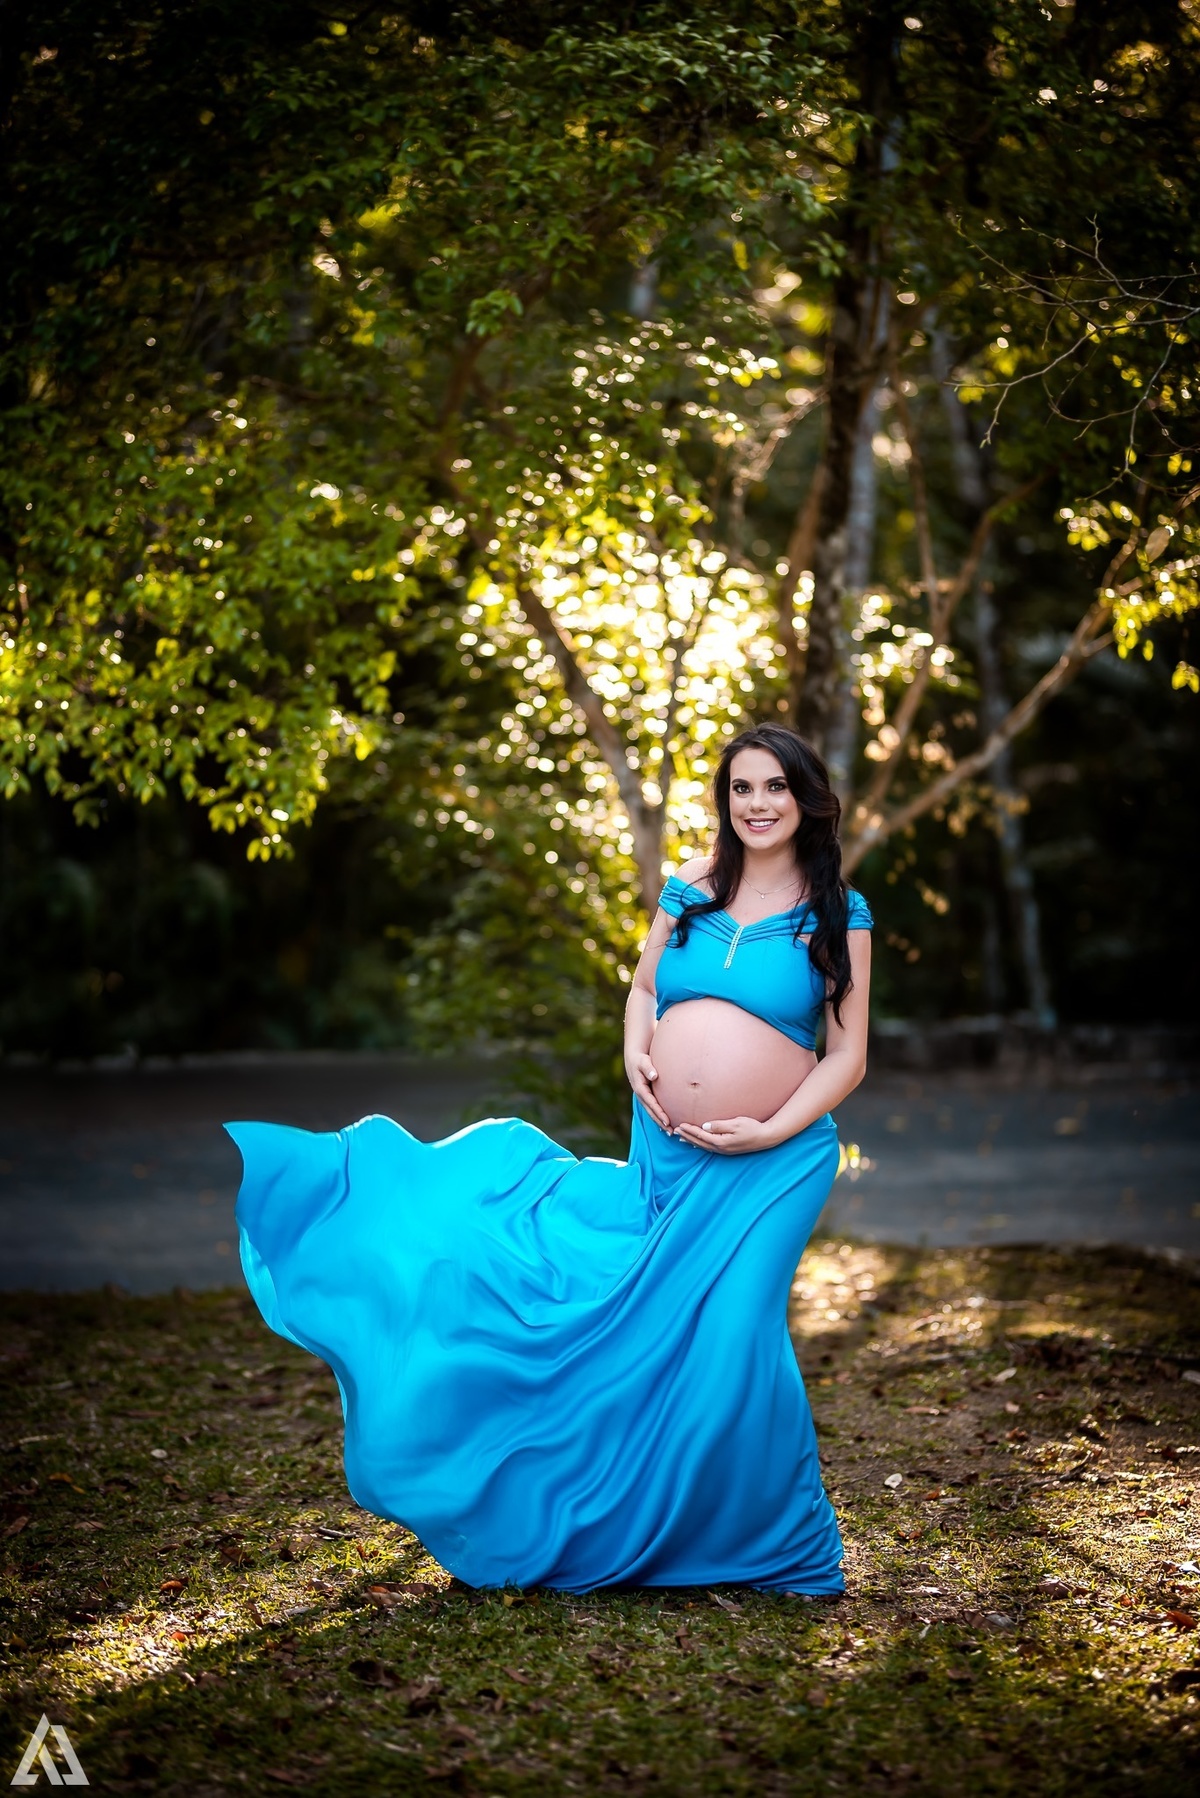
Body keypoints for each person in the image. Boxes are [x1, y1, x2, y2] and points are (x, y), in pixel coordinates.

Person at [228, 722, 872, 1594]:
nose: (757, 805)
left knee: (737, 1333)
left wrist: (769, 1128)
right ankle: (619, 1515)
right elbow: (643, 990)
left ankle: (786, 1551)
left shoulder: (838, 915)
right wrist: (637, 1054)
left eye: (775, 789)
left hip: (775, 1162)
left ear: (804, 799)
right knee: (625, 1313)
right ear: (725, 801)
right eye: (741, 788)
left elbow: (847, 1055)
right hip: (670, 1154)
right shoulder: (690, 891)